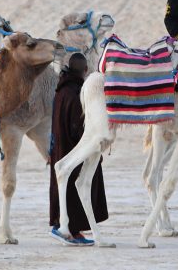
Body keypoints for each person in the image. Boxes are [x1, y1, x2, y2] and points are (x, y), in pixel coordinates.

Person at [49, 53, 108, 246]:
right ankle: (71, 231)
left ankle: (64, 226)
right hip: (71, 147)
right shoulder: (75, 93)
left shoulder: (61, 90)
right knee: (76, 188)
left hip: (59, 146)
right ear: (84, 71)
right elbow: (78, 126)